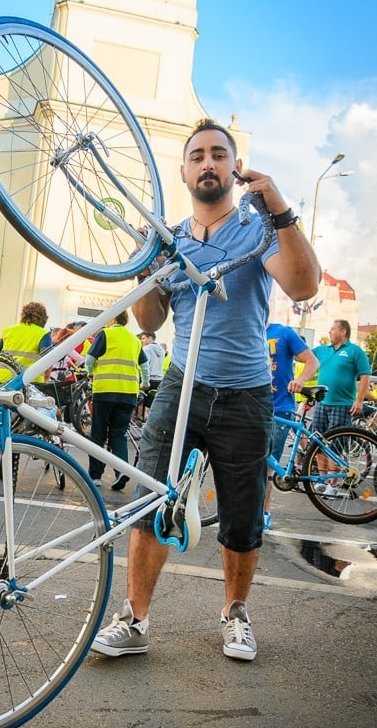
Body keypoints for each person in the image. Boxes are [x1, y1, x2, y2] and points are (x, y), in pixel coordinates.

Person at [91, 118, 320, 663]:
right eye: (198, 156)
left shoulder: (256, 227)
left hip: (247, 393)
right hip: (181, 386)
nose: (208, 163)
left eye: (219, 154)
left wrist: (281, 210)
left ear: (234, 168)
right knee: (151, 501)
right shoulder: (170, 238)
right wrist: (145, 265)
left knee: (242, 518)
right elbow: (151, 316)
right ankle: (135, 619)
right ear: (185, 171)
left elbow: (304, 284)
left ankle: (235, 614)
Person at [263, 323, 319, 530]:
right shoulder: (246, 329)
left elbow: (313, 361)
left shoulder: (283, 332)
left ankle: (263, 512)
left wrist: (301, 379)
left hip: (280, 406)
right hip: (253, 406)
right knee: (253, 463)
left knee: (268, 465)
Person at [86, 311, 149, 491]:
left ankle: (95, 476)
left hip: (105, 391)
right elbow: (145, 365)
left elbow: (90, 359)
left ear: (112, 319)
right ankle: (122, 470)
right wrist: (144, 383)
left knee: (98, 433)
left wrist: (90, 372)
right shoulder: (134, 340)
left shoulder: (105, 334)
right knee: (118, 434)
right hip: (128, 393)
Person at [310, 320, 371, 496]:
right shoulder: (323, 350)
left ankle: (333, 484)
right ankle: (322, 480)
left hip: (342, 405)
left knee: (335, 446)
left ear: (343, 331)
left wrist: (359, 400)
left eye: (332, 329)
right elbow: (302, 354)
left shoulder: (355, 351)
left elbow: (365, 376)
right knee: (318, 443)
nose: (329, 332)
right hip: (322, 403)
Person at [0, 301, 53, 382]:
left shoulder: (8, 330)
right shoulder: (43, 334)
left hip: (1, 378)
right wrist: (46, 379)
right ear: (43, 317)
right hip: (28, 381)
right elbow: (49, 359)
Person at [137, 330, 165, 417]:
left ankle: (139, 419)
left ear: (150, 338)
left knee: (141, 401)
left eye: (143, 338)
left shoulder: (146, 349)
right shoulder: (161, 349)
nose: (142, 341)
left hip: (148, 379)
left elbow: (145, 365)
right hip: (158, 380)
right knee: (151, 403)